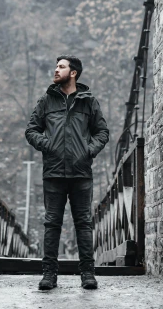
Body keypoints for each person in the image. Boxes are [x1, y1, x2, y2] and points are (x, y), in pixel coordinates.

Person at [25, 55, 109, 291]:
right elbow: (31, 130)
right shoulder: (46, 101)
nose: (56, 70)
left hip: (81, 173)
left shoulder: (89, 102)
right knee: (52, 224)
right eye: (56, 66)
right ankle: (49, 275)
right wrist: (48, 145)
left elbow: (102, 132)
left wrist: (88, 151)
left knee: (83, 223)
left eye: (61, 67)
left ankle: (88, 275)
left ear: (73, 73)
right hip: (53, 173)